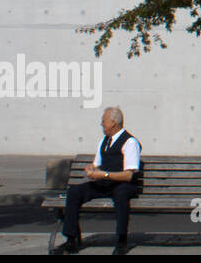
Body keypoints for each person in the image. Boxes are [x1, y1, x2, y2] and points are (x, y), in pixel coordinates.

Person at [54, 106, 141, 255]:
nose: (101, 124)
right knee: (74, 192)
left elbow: (128, 175)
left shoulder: (130, 142)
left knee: (121, 195)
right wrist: (91, 170)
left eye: (104, 121)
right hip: (105, 183)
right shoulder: (104, 141)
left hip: (123, 184)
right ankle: (71, 240)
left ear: (113, 122)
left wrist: (104, 175)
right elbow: (96, 164)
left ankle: (121, 241)